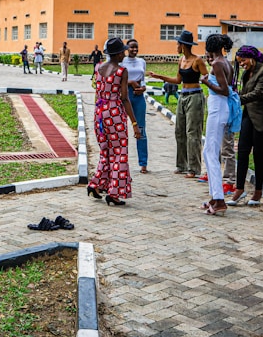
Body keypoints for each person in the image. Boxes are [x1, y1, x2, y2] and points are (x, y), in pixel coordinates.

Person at [87, 37, 142, 206]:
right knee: (119, 152)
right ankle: (114, 192)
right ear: (118, 54)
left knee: (105, 151)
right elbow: (125, 99)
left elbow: (97, 90)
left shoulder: (98, 67)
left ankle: (96, 185)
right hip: (114, 114)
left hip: (99, 113)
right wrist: (134, 123)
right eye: (123, 52)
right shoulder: (121, 71)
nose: (124, 54)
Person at [227, 45, 263, 207]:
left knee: (258, 154)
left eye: (243, 60)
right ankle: (239, 189)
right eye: (239, 62)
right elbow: (245, 91)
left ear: (251, 58)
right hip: (249, 116)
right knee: (243, 152)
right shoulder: (247, 72)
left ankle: (258, 191)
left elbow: (259, 93)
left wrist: (237, 100)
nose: (242, 64)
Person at [148, 30, 207, 178]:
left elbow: (207, 77)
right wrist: (159, 76)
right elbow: (177, 80)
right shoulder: (181, 60)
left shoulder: (197, 60)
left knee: (192, 133)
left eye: (178, 43)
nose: (176, 46)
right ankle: (182, 165)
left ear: (183, 45)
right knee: (179, 131)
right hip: (183, 96)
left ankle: (194, 168)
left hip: (195, 97)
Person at [199, 34, 234, 216]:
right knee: (209, 151)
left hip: (218, 108)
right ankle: (215, 196)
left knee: (211, 153)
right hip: (220, 109)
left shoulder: (217, 64)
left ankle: (219, 200)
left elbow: (225, 90)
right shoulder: (227, 63)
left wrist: (206, 82)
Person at [121, 39, 149, 173]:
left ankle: (143, 163)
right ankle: (121, 161)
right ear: (127, 48)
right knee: (121, 128)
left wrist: (143, 88)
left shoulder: (142, 62)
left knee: (141, 129)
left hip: (138, 96)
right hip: (125, 95)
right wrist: (130, 82)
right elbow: (118, 80)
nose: (134, 50)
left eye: (136, 47)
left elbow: (143, 79)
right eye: (132, 47)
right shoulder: (122, 62)